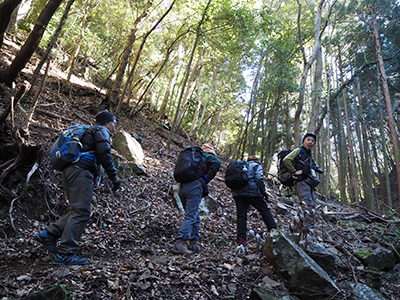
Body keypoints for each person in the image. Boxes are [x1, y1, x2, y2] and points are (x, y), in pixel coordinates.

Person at [35, 110, 121, 265]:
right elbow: (104, 153)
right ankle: (65, 254)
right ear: (107, 122)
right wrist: (114, 176)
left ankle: (49, 234)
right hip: (81, 172)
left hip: (69, 171)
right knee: (82, 211)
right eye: (114, 122)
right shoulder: (101, 130)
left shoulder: (88, 131)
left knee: (77, 209)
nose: (115, 127)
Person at [172, 143, 221, 255]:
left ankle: (194, 243)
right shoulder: (207, 156)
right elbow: (217, 162)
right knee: (191, 215)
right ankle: (181, 243)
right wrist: (206, 178)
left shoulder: (193, 157)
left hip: (182, 187)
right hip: (194, 187)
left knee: (194, 215)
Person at [231, 156, 277, 246]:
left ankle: (241, 238)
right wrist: (264, 192)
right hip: (252, 193)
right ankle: (273, 230)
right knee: (264, 209)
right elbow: (259, 179)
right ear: (257, 161)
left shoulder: (241, 166)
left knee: (241, 216)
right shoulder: (256, 165)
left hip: (238, 193)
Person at [282, 132, 323, 208]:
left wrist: (318, 169)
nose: (310, 142)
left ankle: (310, 218)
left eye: (312, 141)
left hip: (308, 180)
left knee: (312, 202)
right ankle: (306, 219)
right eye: (308, 140)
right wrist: (294, 171)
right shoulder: (299, 150)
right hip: (300, 181)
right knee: (307, 203)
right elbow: (286, 159)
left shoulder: (309, 154)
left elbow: (313, 165)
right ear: (304, 141)